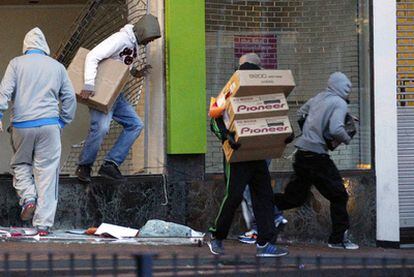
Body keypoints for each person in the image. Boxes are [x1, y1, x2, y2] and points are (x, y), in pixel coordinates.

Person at [206, 54, 291, 257]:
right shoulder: (232, 89)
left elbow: (274, 114)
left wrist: (282, 135)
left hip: (256, 153)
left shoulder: (258, 89)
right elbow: (214, 120)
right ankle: (217, 236)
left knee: (262, 197)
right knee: (237, 196)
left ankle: (264, 243)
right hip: (237, 155)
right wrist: (227, 137)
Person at [0, 27, 77, 236]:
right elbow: (70, 98)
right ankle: (42, 225)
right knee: (47, 172)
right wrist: (62, 122)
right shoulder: (57, 67)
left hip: (22, 125)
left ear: (26, 46)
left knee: (20, 163)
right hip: (49, 126)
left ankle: (28, 198)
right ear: (44, 47)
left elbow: (4, 92)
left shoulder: (16, 64)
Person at [273, 72, 359, 250]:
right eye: (347, 87)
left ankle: (262, 203)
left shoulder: (319, 97)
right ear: (342, 87)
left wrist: (309, 133)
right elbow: (336, 128)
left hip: (302, 154)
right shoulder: (340, 103)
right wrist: (347, 139)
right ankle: (338, 240)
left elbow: (301, 112)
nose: (348, 91)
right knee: (339, 195)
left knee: (293, 198)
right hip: (318, 158)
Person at [75, 14, 161, 182]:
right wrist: (89, 84)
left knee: (135, 125)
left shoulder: (133, 44)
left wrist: (135, 72)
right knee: (101, 128)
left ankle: (110, 164)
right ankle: (84, 166)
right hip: (101, 92)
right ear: (143, 32)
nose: (149, 42)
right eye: (150, 38)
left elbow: (119, 64)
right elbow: (93, 55)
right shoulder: (121, 39)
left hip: (116, 94)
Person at [234, 53, 289, 245]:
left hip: (251, 143)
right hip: (266, 142)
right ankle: (273, 218)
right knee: (260, 186)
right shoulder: (269, 86)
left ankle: (263, 225)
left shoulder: (247, 86)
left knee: (251, 188)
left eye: (241, 66)